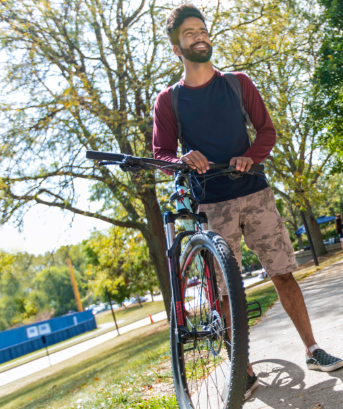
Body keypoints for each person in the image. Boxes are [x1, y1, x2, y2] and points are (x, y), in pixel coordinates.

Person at [152, 3, 343, 401]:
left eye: (202, 30)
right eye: (189, 33)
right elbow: (162, 153)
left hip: (254, 191)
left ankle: (312, 349)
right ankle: (245, 368)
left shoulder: (238, 83)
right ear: (177, 48)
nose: (199, 36)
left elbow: (266, 131)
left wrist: (251, 156)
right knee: (224, 290)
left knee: (283, 273)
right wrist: (182, 160)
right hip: (211, 206)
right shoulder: (168, 101)